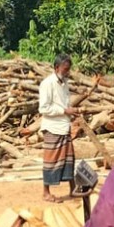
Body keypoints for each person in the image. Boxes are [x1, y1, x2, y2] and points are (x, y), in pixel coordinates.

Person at [39, 54, 77, 203]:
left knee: (69, 159)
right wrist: (64, 111)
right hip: (53, 128)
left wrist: (70, 112)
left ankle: (73, 189)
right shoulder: (47, 84)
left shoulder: (65, 83)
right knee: (51, 161)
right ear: (56, 68)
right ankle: (46, 193)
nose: (67, 72)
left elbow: (65, 103)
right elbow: (43, 108)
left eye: (69, 69)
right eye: (65, 69)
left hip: (64, 126)